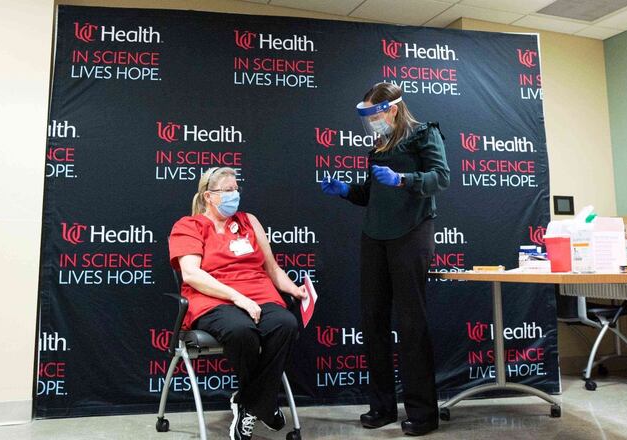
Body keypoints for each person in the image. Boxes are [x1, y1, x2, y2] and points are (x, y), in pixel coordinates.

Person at [320, 82, 450, 436]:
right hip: (375, 235)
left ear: (392, 109)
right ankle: (382, 406)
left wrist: (403, 179)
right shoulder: (379, 144)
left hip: (411, 233)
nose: (371, 123)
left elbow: (441, 177)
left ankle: (423, 413)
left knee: (411, 324)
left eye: (374, 114)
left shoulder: (425, 135)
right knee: (374, 321)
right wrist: (346, 190)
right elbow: (371, 193)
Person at [169, 167, 307, 440]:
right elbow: (192, 274)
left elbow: (272, 268)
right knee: (241, 330)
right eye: (227, 190)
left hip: (259, 293)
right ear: (209, 196)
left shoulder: (249, 221)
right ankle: (264, 404)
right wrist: (237, 298)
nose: (235, 195)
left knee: (285, 324)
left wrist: (295, 290)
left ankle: (249, 403)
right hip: (213, 299)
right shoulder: (189, 226)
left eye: (236, 189)